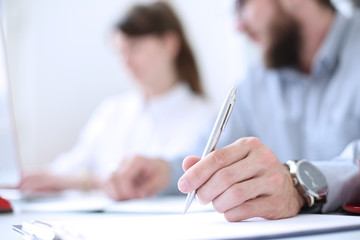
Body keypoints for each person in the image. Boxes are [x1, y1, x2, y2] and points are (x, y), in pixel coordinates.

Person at [177, 0, 360, 222]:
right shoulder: (257, 82)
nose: (238, 27)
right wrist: (160, 173)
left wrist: (298, 185)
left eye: (242, 5)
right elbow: (209, 153)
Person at [19, 1, 214, 200]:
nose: (126, 62)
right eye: (120, 51)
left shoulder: (204, 118)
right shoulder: (112, 111)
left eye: (135, 48)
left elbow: (166, 181)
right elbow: (68, 167)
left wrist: (83, 182)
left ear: (170, 44)